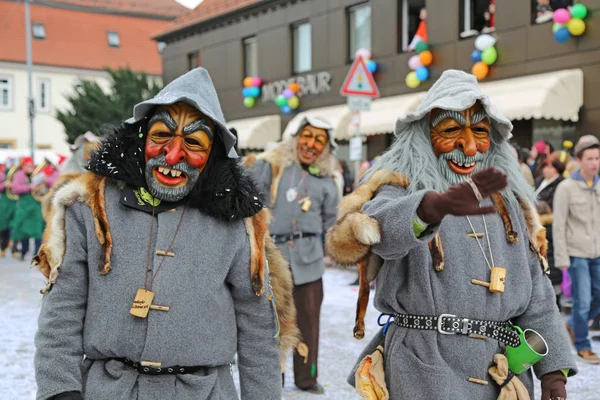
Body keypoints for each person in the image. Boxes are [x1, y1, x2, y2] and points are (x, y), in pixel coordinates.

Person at [33, 68, 299, 400]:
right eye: (161, 136)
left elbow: (257, 330)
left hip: (203, 392)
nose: (173, 155)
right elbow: (63, 309)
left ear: (213, 153)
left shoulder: (238, 222)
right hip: (108, 390)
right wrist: (60, 390)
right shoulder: (92, 206)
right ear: (142, 137)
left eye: (193, 142)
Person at [326, 70, 576, 399]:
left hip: (497, 373)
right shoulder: (400, 188)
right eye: (452, 130)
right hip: (423, 367)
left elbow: (538, 293)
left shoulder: (508, 203)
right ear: (426, 134)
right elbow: (376, 229)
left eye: (480, 132)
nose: (469, 147)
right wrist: (428, 209)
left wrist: (553, 372)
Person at [246, 116, 340, 394]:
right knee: (270, 322)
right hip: (273, 259)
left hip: (309, 262)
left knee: (309, 322)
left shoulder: (327, 182)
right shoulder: (273, 166)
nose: (311, 144)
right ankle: (273, 378)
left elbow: (330, 222)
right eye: (307, 136)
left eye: (319, 140)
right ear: (296, 137)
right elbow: (248, 192)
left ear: (326, 147)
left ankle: (307, 378)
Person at [553, 134, 600, 364]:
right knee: (582, 301)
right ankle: (583, 345)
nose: (594, 163)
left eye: (597, 158)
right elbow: (559, 224)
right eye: (590, 158)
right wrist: (562, 257)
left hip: (598, 253)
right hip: (576, 253)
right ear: (579, 160)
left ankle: (572, 325)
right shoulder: (566, 188)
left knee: (598, 296)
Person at [535, 152, 566, 311]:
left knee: (551, 263)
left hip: (551, 225)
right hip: (536, 224)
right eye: (545, 166)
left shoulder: (561, 184)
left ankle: (556, 301)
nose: (546, 170)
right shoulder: (540, 181)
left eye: (550, 167)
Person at [11, 156, 45, 261]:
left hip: (35, 207)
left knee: (37, 231)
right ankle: (23, 252)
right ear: (23, 166)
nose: (30, 168)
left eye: (31, 165)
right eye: (28, 166)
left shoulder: (36, 175)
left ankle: (37, 255)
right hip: (24, 207)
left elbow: (45, 188)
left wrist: (40, 187)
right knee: (25, 231)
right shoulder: (19, 175)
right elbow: (15, 188)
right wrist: (29, 187)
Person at [0, 157, 19, 257]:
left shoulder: (19, 173)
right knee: (3, 227)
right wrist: (4, 184)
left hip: (15, 203)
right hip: (4, 204)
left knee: (16, 227)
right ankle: (3, 248)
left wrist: (14, 185)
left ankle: (15, 249)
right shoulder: (2, 173)